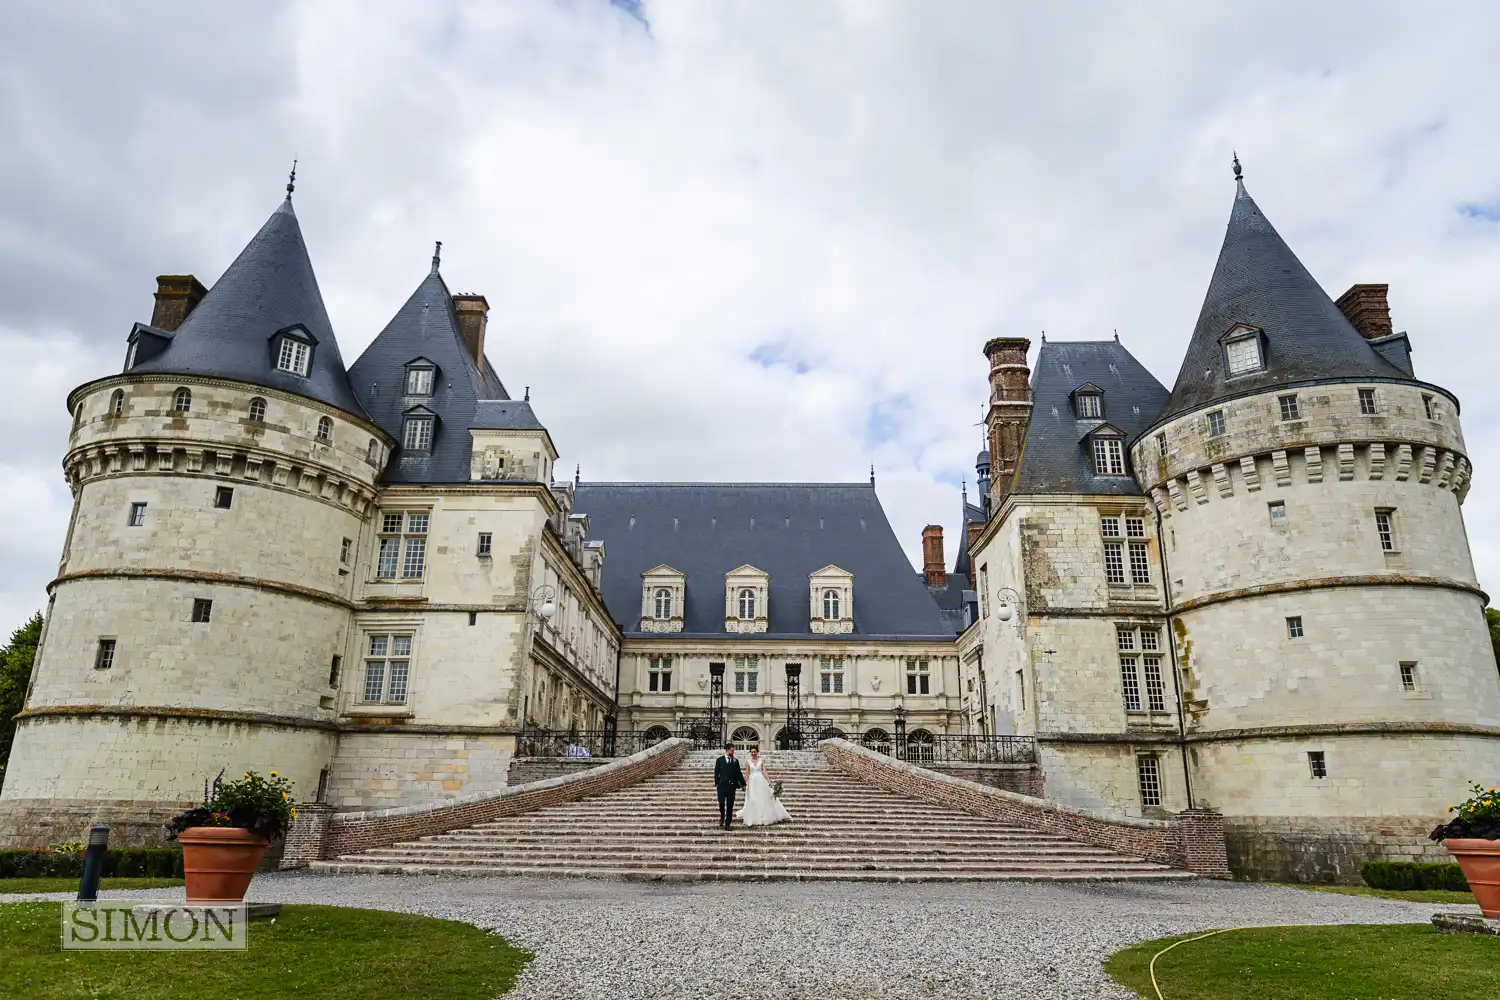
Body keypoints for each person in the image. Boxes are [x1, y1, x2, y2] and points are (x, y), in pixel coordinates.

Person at [736, 747, 792, 827]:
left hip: (760, 780)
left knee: (762, 798)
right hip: (752, 782)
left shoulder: (761, 761)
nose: (753, 753)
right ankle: (753, 817)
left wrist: (769, 782)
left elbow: (764, 772)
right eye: (752, 752)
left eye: (755, 752)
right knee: (752, 799)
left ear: (757, 752)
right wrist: (743, 784)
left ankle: (763, 816)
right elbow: (747, 774)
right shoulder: (748, 762)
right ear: (750, 753)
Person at [713, 742, 746, 830]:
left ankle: (728, 824)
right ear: (727, 750)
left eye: (733, 750)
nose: (733, 752)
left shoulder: (735, 761)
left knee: (730, 805)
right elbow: (716, 771)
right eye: (732, 750)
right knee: (721, 803)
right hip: (722, 786)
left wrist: (743, 784)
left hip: (731, 786)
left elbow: (739, 773)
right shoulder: (720, 760)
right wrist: (717, 782)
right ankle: (722, 815)